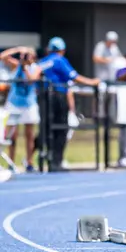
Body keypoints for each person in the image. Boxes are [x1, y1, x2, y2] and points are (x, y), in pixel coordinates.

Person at [38, 37, 100, 171]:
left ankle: (44, 157)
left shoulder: (43, 61)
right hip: (58, 95)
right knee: (61, 127)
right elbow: (74, 76)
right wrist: (92, 82)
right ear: (62, 50)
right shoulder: (59, 60)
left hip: (43, 96)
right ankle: (56, 161)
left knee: (47, 127)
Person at [0, 46, 41, 172]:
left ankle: (29, 162)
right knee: (12, 135)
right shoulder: (16, 65)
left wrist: (25, 67)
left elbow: (31, 80)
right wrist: (18, 50)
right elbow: (2, 57)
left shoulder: (36, 68)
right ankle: (11, 162)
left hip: (29, 104)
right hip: (14, 103)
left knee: (29, 134)